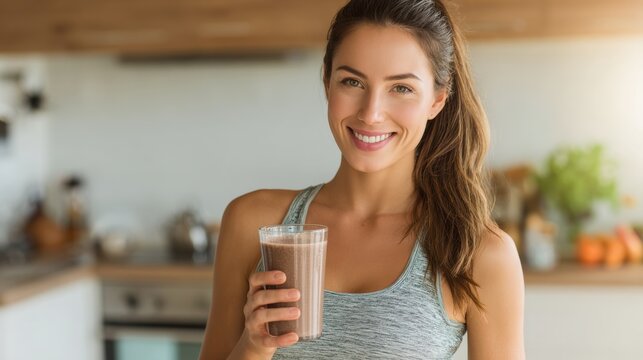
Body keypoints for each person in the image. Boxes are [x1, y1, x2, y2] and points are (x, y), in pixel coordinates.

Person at [199, 0, 525, 358]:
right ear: (327, 82)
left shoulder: (478, 252)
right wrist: (254, 345)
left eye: (401, 88)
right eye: (352, 81)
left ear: (437, 100)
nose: (370, 113)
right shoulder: (255, 223)